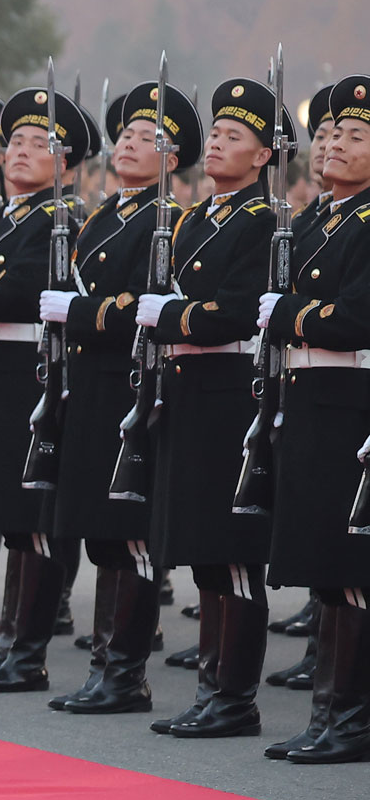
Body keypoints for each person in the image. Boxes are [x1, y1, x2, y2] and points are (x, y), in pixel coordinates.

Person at [120, 79, 289, 726]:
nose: (217, 144)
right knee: (203, 549)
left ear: (264, 156)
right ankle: (212, 689)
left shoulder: (264, 221)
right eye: (214, 134)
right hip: (186, 390)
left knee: (232, 550)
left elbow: (238, 312)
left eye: (234, 137)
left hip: (230, 391)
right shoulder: (193, 218)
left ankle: (233, 695)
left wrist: (171, 315)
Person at [40, 83, 196, 715]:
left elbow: (144, 304)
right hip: (89, 384)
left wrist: (79, 311)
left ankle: (126, 672)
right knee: (101, 534)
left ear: (173, 157)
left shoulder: (168, 220)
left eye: (147, 138)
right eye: (126, 135)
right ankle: (107, 662)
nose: (129, 144)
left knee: (128, 534)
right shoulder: (105, 213)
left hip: (128, 386)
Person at [0, 86, 93, 694]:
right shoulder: (4, 218)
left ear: (69, 165)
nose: (24, 154)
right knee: (10, 518)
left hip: (30, 372)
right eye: (18, 143)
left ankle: (26, 652)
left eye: (42, 145)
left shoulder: (59, 220)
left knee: (32, 519)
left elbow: (22, 288)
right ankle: (11, 645)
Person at [259, 74, 370, 763]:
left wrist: (289, 315)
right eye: (331, 134)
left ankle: (352, 718)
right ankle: (330, 710)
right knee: (328, 568)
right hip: (310, 399)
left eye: (355, 136)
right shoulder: (318, 219)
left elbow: (355, 316)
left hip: (351, 404)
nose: (335, 144)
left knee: (352, 566)